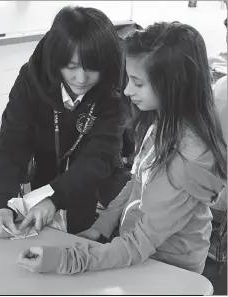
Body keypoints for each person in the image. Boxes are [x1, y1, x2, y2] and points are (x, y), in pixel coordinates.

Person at [17, 22, 227, 275]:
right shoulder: (161, 121)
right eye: (128, 79)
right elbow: (137, 183)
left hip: (171, 269)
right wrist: (101, 226)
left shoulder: (189, 158)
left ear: (173, 85)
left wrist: (67, 260)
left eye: (138, 83)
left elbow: (139, 243)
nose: (127, 90)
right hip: (139, 251)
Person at [0, 6, 130, 236]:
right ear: (56, 60)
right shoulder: (32, 79)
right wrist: (2, 203)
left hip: (96, 187)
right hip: (45, 177)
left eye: (93, 69)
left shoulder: (114, 85)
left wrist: (56, 197)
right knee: (41, 241)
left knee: (82, 244)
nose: (81, 79)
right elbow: (11, 142)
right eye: (71, 67)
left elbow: (101, 155)